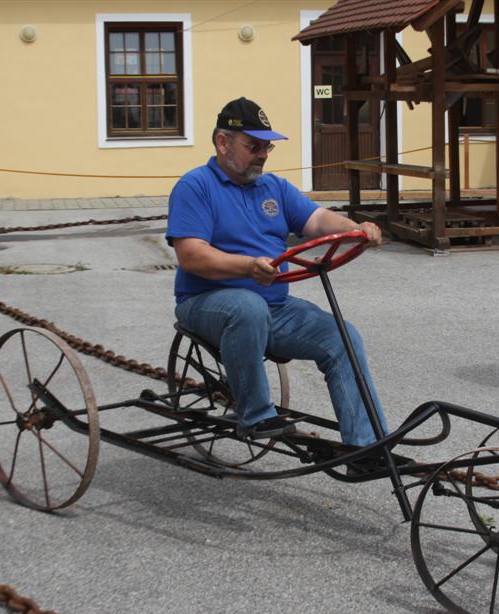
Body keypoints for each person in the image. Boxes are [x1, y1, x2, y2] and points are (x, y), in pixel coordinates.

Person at [165, 97, 388, 445]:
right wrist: (248, 267)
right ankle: (255, 415)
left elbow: (315, 220)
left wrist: (353, 227)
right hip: (205, 302)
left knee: (343, 336)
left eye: (266, 146)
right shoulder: (195, 187)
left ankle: (368, 444)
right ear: (222, 143)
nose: (263, 154)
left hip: (274, 307)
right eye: (253, 146)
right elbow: (192, 256)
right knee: (247, 307)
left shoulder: (275, 188)